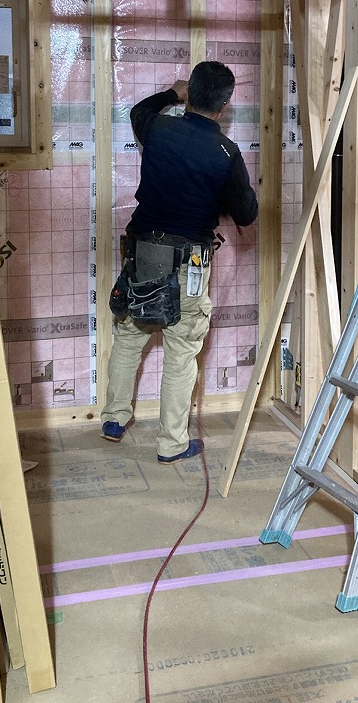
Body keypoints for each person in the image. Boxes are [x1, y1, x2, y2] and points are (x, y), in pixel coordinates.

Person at [100, 60, 258, 463]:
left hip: (142, 253)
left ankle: (114, 419)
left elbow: (139, 110)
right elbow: (246, 214)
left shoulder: (158, 128)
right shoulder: (226, 152)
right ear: (225, 104)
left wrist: (173, 93)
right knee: (181, 351)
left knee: (129, 336)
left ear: (190, 93)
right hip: (190, 263)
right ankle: (172, 444)